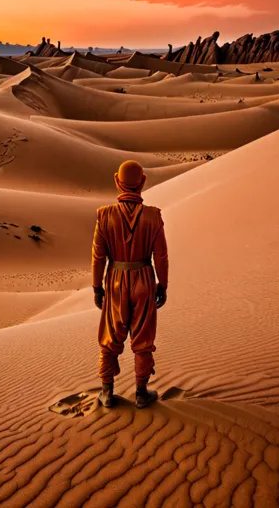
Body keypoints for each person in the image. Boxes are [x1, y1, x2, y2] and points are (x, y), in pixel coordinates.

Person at [92, 160, 169, 409]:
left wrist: (97, 287)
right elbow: (161, 256)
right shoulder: (153, 216)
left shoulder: (104, 215)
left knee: (110, 337)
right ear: (143, 183)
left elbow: (98, 257)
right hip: (145, 279)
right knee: (143, 339)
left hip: (114, 281)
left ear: (117, 181)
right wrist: (163, 285)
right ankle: (141, 392)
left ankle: (107, 392)